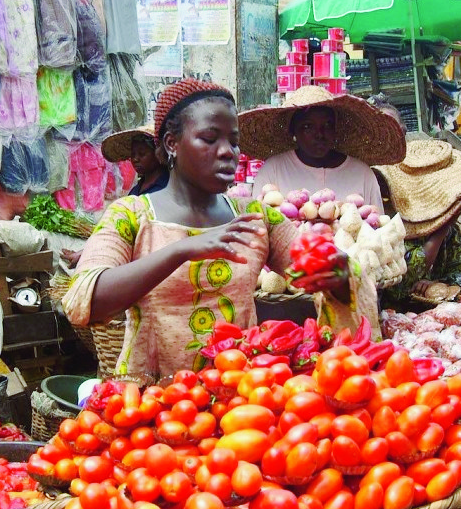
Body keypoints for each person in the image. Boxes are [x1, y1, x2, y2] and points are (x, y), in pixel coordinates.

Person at [64, 79, 341, 378]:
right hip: (151, 404)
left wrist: (339, 271)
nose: (227, 152)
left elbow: (320, 275)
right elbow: (86, 301)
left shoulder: (255, 217)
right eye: (210, 139)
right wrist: (180, 251)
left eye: (233, 141)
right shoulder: (131, 215)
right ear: (172, 143)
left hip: (242, 400)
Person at [374, 137, 461, 303]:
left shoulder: (451, 229)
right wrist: (441, 228)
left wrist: (440, 284)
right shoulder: (389, 222)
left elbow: (460, 270)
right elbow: (401, 281)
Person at [241, 86, 405, 208]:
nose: (319, 134)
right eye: (308, 127)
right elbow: (259, 227)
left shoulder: (362, 174)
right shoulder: (273, 171)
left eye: (327, 125)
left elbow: (377, 231)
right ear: (293, 131)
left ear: (336, 129)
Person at [102, 126, 168, 196]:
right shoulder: (136, 189)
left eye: (142, 154)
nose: (135, 159)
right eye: (133, 154)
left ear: (158, 153)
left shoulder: (167, 186)